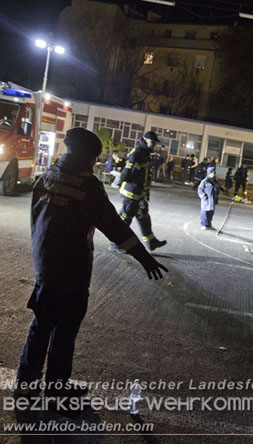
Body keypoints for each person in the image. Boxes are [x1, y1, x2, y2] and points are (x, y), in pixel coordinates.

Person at [16, 127, 167, 399]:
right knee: (65, 329)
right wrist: (144, 258)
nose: (95, 164)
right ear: (88, 157)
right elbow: (115, 228)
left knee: (42, 322)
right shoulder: (88, 187)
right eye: (95, 159)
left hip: (46, 264)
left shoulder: (47, 177)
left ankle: (25, 382)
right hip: (73, 268)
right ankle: (56, 391)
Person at [109, 131, 167, 253]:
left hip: (141, 194)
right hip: (132, 194)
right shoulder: (138, 153)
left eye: (155, 143)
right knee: (125, 219)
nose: (154, 145)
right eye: (152, 142)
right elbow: (126, 172)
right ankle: (115, 243)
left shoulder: (146, 153)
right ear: (145, 140)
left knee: (143, 217)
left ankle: (151, 242)